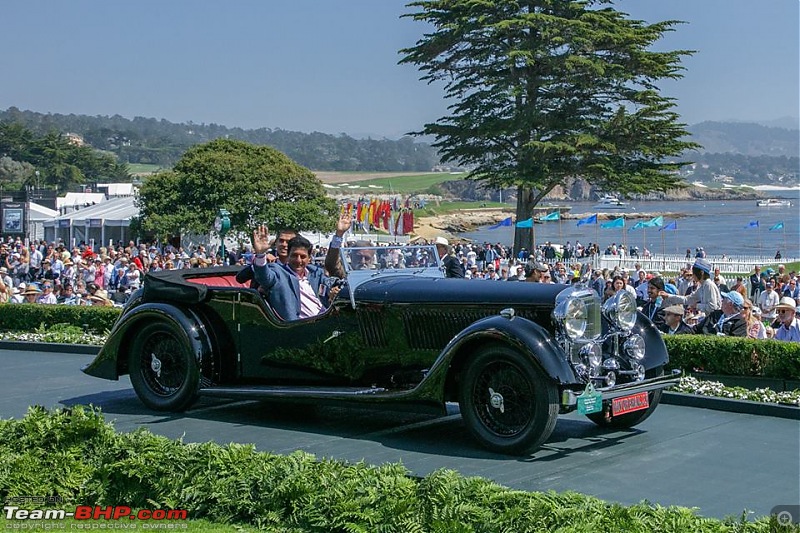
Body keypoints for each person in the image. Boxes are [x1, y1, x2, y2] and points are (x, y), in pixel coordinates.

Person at [252, 227, 331, 321]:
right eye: (294, 255)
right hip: (297, 327)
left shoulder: (316, 272)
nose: (298, 260)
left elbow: (332, 283)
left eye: (303, 257)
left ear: (309, 258)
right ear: (288, 256)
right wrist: (261, 254)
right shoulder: (277, 272)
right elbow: (264, 277)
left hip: (326, 320)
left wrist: (335, 290)